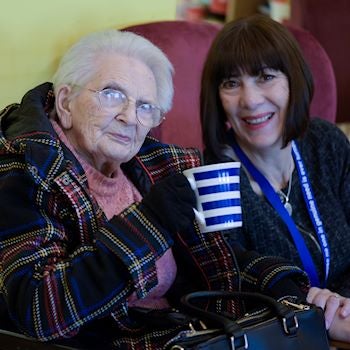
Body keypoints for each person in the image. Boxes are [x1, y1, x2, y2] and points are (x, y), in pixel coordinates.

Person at [0, 28, 310, 349]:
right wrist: (150, 222)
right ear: (65, 101)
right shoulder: (25, 168)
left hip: (192, 335)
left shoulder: (150, 163)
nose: (129, 117)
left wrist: (279, 285)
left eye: (146, 106)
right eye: (112, 94)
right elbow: (39, 310)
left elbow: (206, 261)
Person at [200, 14, 350, 342]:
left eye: (266, 76)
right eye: (231, 83)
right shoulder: (212, 176)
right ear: (218, 100)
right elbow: (231, 277)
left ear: (293, 81)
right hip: (285, 336)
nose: (250, 100)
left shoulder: (326, 142)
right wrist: (313, 311)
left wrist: (342, 307)